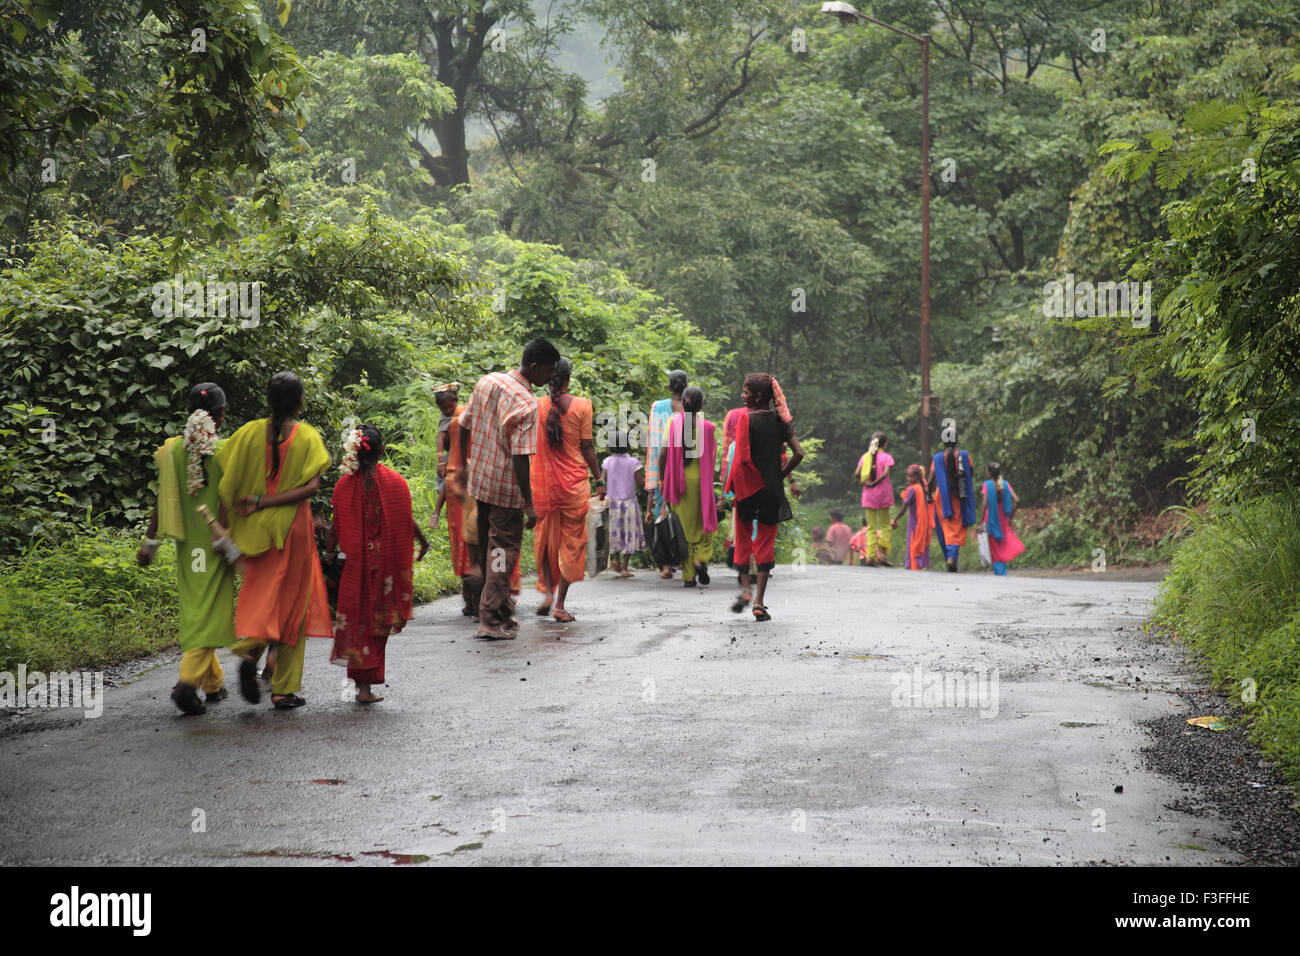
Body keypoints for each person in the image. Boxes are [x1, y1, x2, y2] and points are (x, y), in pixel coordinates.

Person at [217, 371, 333, 709]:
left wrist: (228, 527)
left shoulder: (248, 434)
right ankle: (283, 689)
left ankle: (251, 654)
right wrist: (265, 500)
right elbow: (311, 489)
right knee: (293, 607)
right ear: (300, 402)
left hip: (255, 533)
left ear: (268, 399)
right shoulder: (307, 436)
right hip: (294, 532)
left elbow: (227, 485)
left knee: (264, 598)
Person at [138, 382, 239, 716]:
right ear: (221, 416)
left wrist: (150, 542)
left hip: (188, 550)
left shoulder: (171, 450)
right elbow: (228, 500)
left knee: (197, 611)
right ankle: (186, 684)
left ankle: (213, 684)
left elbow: (163, 497)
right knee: (210, 615)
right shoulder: (224, 452)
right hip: (215, 545)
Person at [459, 339, 558, 640]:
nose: (551, 377)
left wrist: (465, 465)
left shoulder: (488, 382)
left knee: (493, 552)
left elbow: (464, 424)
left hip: (481, 483)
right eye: (549, 371)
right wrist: (528, 503)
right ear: (533, 367)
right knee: (501, 554)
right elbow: (520, 456)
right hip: (505, 493)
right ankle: (488, 619)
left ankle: (501, 613)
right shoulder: (526, 404)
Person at [329, 424, 429, 703]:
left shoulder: (343, 486)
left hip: (356, 568)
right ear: (382, 450)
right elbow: (404, 520)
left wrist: (328, 553)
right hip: (385, 568)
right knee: (377, 625)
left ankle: (360, 684)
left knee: (358, 622)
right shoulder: (395, 482)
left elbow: (336, 527)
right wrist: (423, 541)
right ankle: (364, 689)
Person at [725, 373, 803, 621]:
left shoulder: (745, 421)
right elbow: (798, 453)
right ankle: (759, 602)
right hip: (771, 490)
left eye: (745, 392)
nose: (742, 396)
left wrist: (730, 490)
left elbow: (739, 462)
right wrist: (781, 474)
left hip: (748, 490)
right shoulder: (781, 422)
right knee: (765, 543)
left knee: (744, 537)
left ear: (757, 397)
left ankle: (746, 591)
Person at [531, 358, 600, 622]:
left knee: (546, 542)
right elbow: (587, 448)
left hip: (544, 489)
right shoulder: (583, 406)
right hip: (573, 488)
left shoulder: (538, 405)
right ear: (569, 379)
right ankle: (559, 605)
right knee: (570, 546)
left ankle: (548, 593)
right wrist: (599, 479)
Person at [657, 386, 718, 587]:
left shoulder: (673, 424)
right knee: (704, 526)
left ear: (684, 403)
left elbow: (663, 454)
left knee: (682, 529)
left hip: (679, 483)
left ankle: (689, 576)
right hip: (701, 484)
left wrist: (662, 480)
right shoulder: (708, 428)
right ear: (700, 405)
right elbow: (712, 458)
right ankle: (701, 557)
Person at [645, 370, 688, 579]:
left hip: (663, 469)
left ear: (669, 387)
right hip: (685, 471)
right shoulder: (691, 408)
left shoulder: (657, 407)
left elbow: (654, 446)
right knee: (682, 515)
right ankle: (682, 559)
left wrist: (655, 478)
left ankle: (665, 565)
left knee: (661, 515)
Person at [602, 432, 645, 577]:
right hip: (629, 503)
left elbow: (602, 481)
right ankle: (625, 567)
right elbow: (640, 482)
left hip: (612, 503)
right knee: (629, 534)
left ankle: (615, 558)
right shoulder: (634, 462)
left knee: (614, 532)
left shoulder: (607, 461)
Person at [931, 434, 976, 571]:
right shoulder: (964, 456)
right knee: (956, 528)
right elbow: (970, 472)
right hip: (959, 495)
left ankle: (950, 559)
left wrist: (928, 495)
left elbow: (929, 480)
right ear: (957, 441)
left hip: (942, 497)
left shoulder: (938, 458)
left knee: (945, 526)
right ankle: (951, 558)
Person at [856, 431, 894, 566]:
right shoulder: (886, 457)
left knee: (871, 527)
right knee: (885, 525)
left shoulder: (865, 457)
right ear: (885, 444)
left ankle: (870, 557)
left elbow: (857, 473)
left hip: (868, 495)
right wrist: (876, 482)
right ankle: (882, 554)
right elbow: (885, 473)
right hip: (883, 495)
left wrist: (866, 483)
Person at [980, 461, 1024, 575]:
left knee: (994, 549)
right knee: (1002, 546)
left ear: (989, 473)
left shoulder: (987, 485)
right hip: (1003, 520)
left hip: (990, 520)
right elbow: (1017, 500)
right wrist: (1011, 517)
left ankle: (1001, 573)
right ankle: (1002, 572)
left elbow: (984, 505)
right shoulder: (1005, 484)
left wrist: (980, 523)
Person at [428, 383, 461, 532]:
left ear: (457, 401)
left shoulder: (462, 412)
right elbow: (441, 439)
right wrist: (441, 462)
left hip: (464, 453)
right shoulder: (444, 418)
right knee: (446, 484)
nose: (448, 411)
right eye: (444, 409)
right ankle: (436, 513)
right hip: (452, 453)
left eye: (450, 407)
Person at [891, 464, 934, 571]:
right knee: (917, 544)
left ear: (918, 477)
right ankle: (918, 567)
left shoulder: (912, 490)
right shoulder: (921, 488)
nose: (909, 479)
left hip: (915, 524)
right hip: (920, 523)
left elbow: (903, 509)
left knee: (912, 545)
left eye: (912, 476)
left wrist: (895, 519)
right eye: (908, 476)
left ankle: (913, 567)